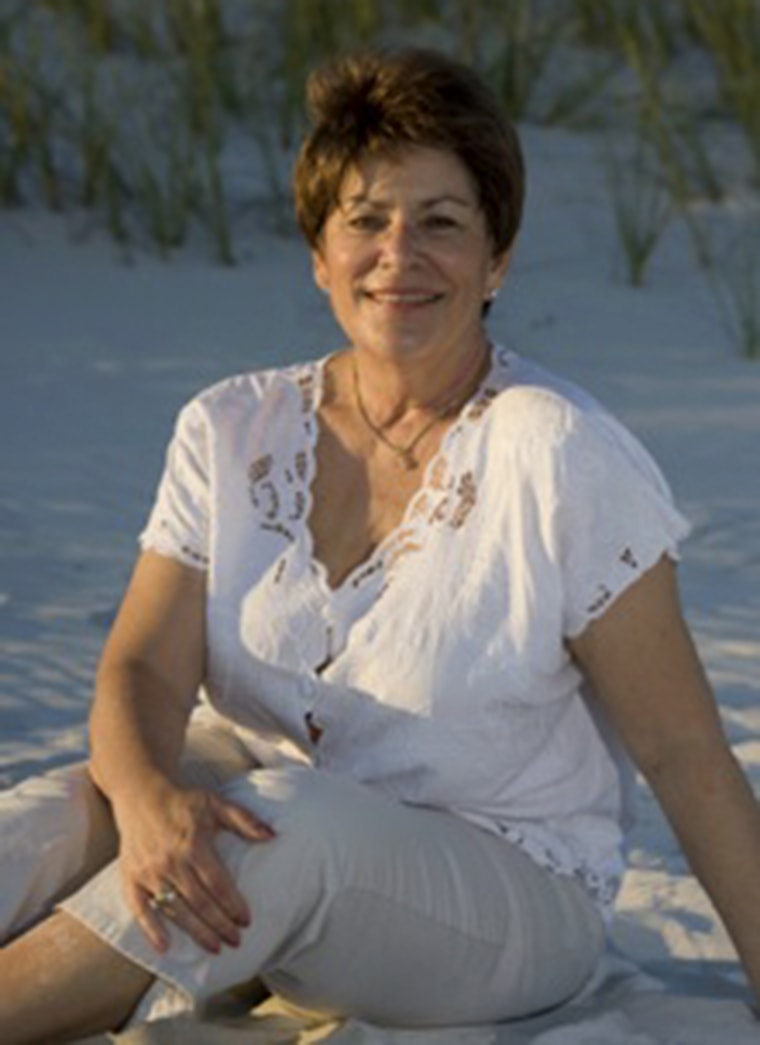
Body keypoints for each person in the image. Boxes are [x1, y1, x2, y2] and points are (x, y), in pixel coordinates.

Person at [1, 46, 759, 1045]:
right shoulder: (232, 426)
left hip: (503, 893)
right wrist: (144, 802)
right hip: (268, 812)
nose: (399, 253)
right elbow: (143, 662)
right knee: (58, 814)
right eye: (366, 219)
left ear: (497, 260)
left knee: (288, 827)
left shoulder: (561, 451)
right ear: (320, 253)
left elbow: (683, 749)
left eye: (441, 222)